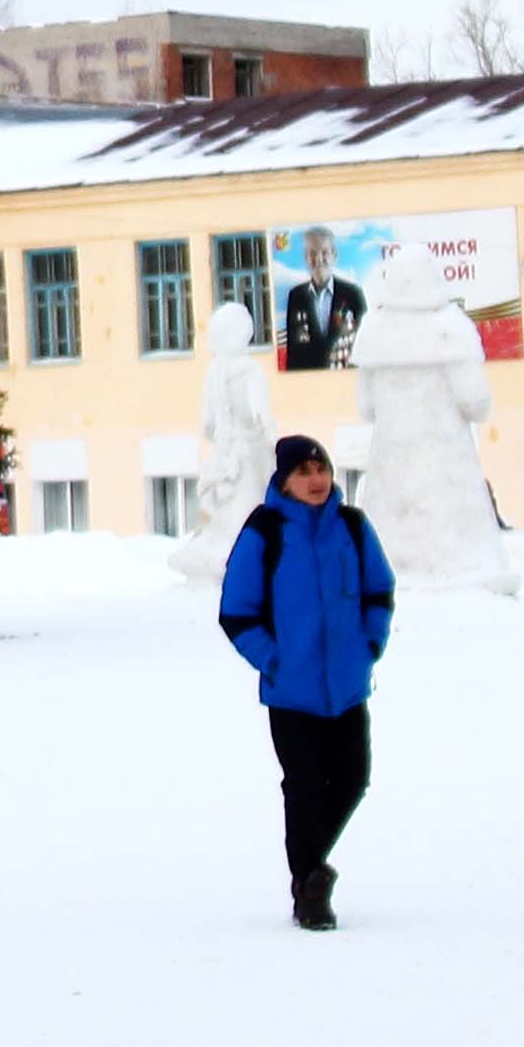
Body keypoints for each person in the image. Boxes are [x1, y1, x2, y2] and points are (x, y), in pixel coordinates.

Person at [216, 431, 395, 930]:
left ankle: (308, 872)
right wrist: (275, 661)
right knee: (305, 787)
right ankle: (311, 890)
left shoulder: (353, 527)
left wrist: (370, 646)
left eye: (321, 470)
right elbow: (236, 612)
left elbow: (378, 591)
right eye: (303, 472)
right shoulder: (264, 531)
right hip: (291, 693)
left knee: (353, 779)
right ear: (284, 481)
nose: (316, 480)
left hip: (347, 687)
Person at [275, 226, 364, 373]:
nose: (318, 259)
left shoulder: (353, 294)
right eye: (312, 253)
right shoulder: (296, 296)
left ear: (334, 255)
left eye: (324, 252)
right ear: (306, 257)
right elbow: (293, 348)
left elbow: (364, 340)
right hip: (310, 380)